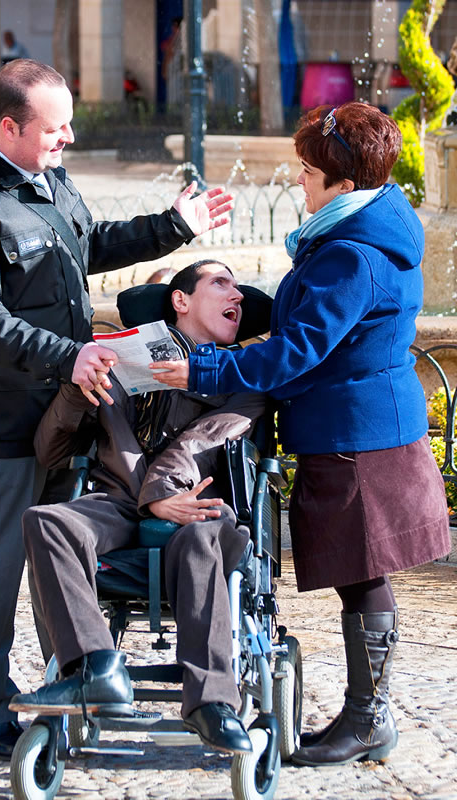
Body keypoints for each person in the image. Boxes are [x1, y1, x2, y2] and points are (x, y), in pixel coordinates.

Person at [0, 59, 233, 761]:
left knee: (58, 553)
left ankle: (75, 680)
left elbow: (87, 245)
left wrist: (171, 227)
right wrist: (69, 357)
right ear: (8, 126)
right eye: (55, 130)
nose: (68, 140)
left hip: (65, 415)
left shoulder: (48, 178)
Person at [151, 102, 452, 766]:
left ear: (343, 184)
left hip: (357, 434)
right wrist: (213, 295)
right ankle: (369, 716)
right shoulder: (362, 228)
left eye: (309, 172)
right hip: (356, 425)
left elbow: (297, 351)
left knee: (364, 575)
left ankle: (370, 718)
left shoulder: (351, 254)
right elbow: (304, 312)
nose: (300, 182)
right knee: (360, 572)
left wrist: (201, 365)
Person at [9, 260, 269, 754]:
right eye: (221, 283)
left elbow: (205, 437)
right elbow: (50, 452)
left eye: (239, 289)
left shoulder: (248, 379)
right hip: (118, 503)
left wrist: (164, 493)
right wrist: (77, 390)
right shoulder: (126, 367)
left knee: (199, 535)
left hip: (201, 504)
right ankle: (93, 668)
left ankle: (212, 702)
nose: (236, 295)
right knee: (47, 521)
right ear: (180, 300)